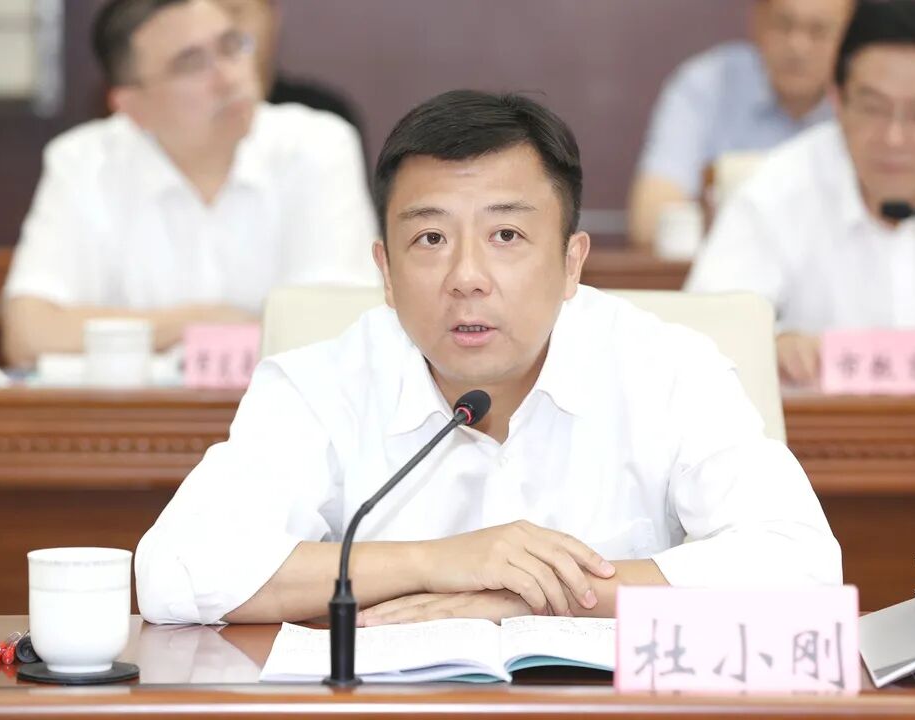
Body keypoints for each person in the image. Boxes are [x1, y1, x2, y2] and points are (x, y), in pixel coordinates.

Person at [135, 89, 841, 626]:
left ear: (572, 262)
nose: (467, 277)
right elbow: (174, 570)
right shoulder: (320, 383)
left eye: (506, 236)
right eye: (431, 240)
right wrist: (437, 563)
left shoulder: (667, 369)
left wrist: (523, 596)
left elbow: (804, 567)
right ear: (385, 272)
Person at [1, 0, 377, 368]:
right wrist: (200, 321)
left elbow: (338, 328)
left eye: (231, 46)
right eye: (191, 64)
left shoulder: (318, 146)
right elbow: (29, 336)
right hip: (139, 411)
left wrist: (144, 333)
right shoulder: (83, 162)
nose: (229, 78)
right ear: (132, 106)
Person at [686, 0, 915, 388]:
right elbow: (707, 332)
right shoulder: (777, 188)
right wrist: (771, 345)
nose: (894, 138)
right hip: (814, 426)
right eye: (872, 107)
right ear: (837, 99)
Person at [628, 0, 854, 249]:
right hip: (725, 266)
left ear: (850, 36)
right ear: (757, 22)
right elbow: (649, 220)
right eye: (783, 24)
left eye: (818, 30)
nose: (797, 46)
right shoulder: (708, 85)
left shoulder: (866, 101)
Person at [213, 0, 363, 140]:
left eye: (234, 12)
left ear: (273, 18)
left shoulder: (325, 118)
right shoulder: (200, 120)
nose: (222, 32)